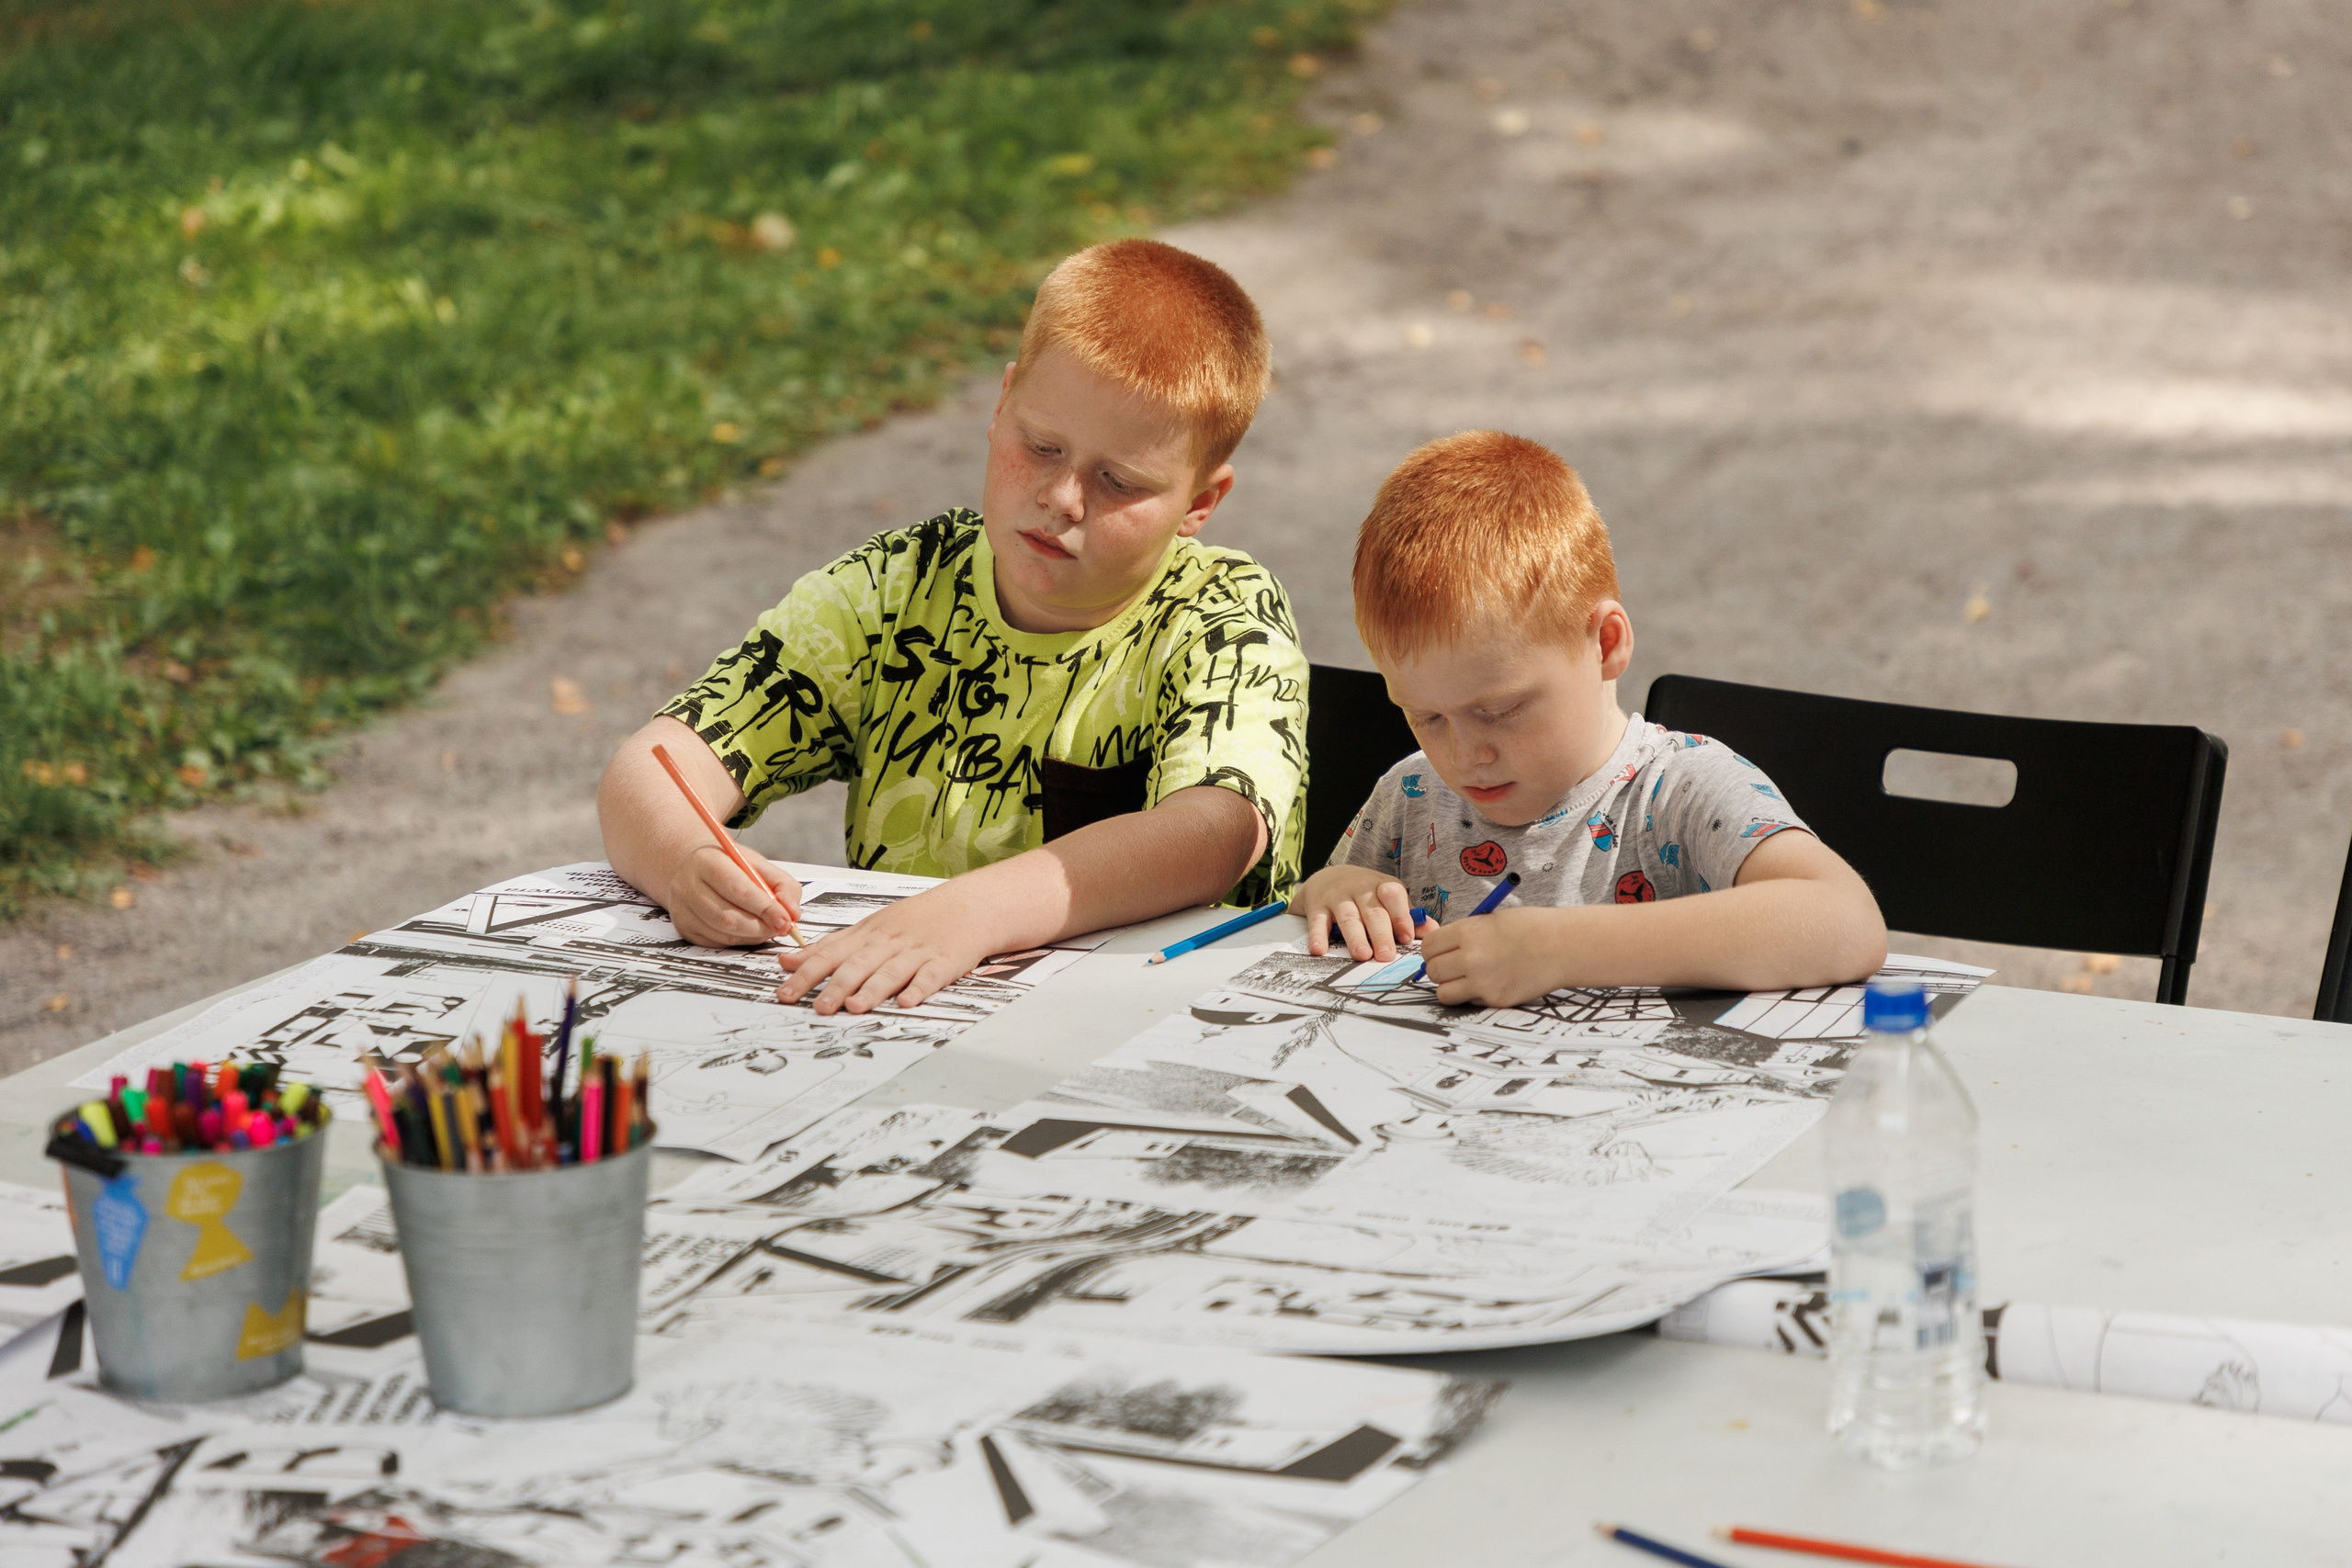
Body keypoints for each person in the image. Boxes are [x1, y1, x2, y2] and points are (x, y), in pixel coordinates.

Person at [598, 240, 1307, 1015]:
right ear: (1001, 404)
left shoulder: (1222, 617)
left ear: (1201, 503)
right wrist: (685, 860)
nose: (1064, 497)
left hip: (1140, 1026)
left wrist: (967, 914)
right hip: (893, 1022)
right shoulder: (895, 589)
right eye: (1041, 446)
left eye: (1119, 481)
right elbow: (654, 764)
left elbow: (1214, 832)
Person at [1296, 431, 1886, 1006]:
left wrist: (1561, 951)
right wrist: (1334, 890)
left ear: (1605, 645)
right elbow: (1313, 915)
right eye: (1426, 717)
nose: (1464, 754)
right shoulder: (1413, 794)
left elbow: (1846, 922)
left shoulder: (1683, 792)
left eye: (1501, 711)